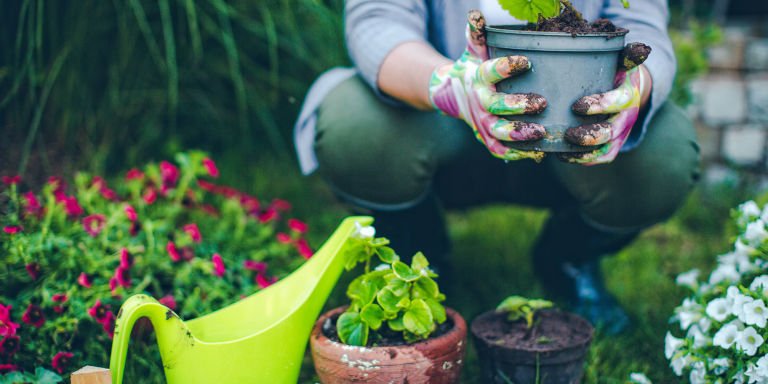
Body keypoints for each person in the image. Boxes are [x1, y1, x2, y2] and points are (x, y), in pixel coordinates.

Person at [293, 0, 700, 334]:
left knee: (664, 156)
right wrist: (451, 86)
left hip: (573, 129)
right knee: (355, 126)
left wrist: (635, 88)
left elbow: (643, 26)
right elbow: (378, 21)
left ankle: (568, 257)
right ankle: (420, 251)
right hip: (440, 124)